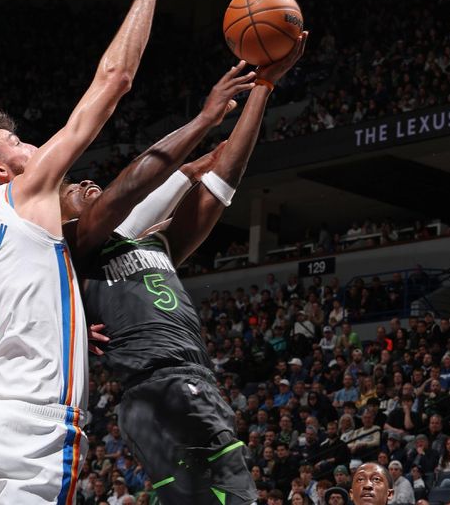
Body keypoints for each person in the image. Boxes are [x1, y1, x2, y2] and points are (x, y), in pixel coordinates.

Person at [0, 0, 185, 504]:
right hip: (32, 423)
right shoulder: (26, 191)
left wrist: (61, 316)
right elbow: (115, 78)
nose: (33, 146)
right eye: (18, 143)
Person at [59, 37, 307, 502]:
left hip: (160, 397)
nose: (88, 183)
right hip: (171, 382)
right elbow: (133, 181)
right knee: (238, 496)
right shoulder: (75, 245)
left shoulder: (157, 242)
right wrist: (207, 117)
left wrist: (265, 88)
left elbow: (223, 176)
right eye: (74, 188)